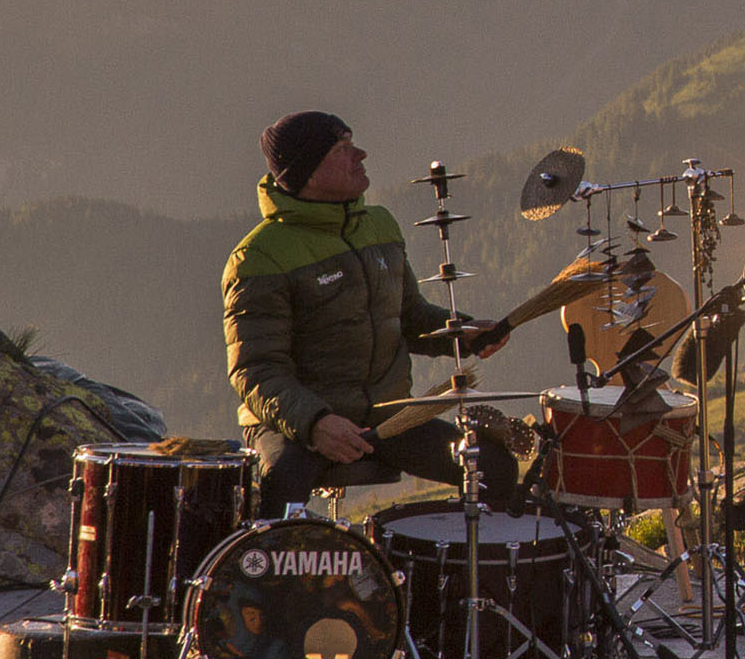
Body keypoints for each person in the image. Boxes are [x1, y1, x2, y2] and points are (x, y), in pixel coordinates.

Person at [224, 111, 524, 515]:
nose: (360, 155)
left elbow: (409, 317)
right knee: (280, 488)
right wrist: (316, 424)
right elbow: (256, 370)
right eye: (342, 149)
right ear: (308, 173)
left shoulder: (379, 225)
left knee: (494, 469)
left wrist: (461, 333)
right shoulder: (259, 256)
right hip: (295, 424)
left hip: (386, 416)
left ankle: (468, 557)